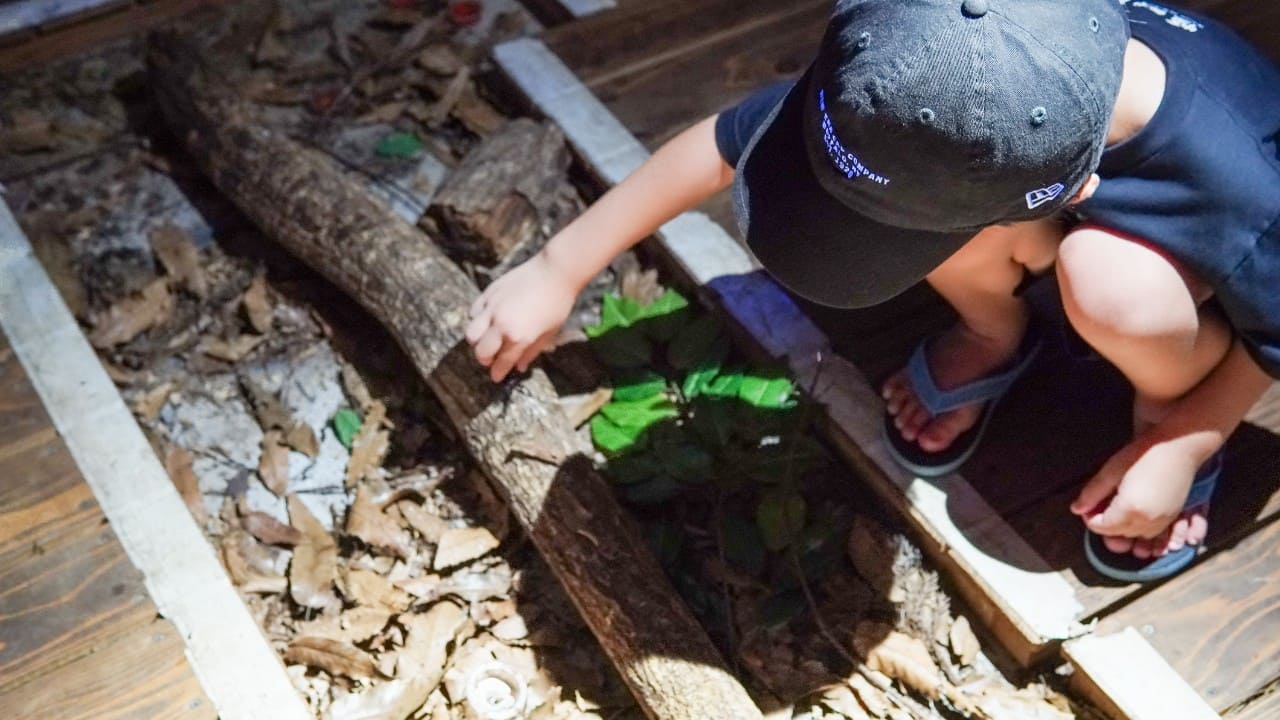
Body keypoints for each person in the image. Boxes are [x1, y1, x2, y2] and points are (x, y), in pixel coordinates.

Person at [466, 0, 1280, 582]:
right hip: (1031, 197)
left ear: (1073, 186)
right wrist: (557, 268)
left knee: (1113, 289)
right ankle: (997, 331)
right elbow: (724, 142)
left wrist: (1188, 440)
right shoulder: (917, 63)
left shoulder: (1241, 178)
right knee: (926, 213)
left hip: (1184, 269)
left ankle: (1157, 412)